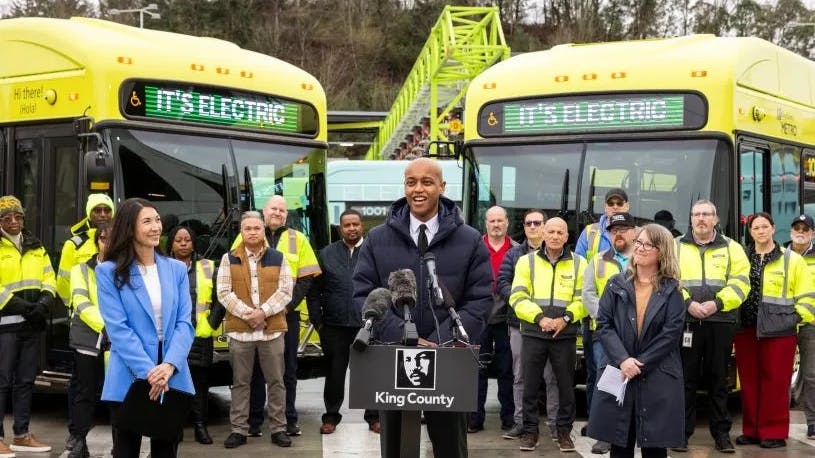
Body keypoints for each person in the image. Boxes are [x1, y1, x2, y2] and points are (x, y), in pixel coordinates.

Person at [353, 157, 493, 458]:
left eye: (427, 182)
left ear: (441, 187)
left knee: (450, 447)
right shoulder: (377, 239)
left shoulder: (469, 240)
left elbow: (481, 299)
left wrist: (440, 342)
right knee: (396, 447)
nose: (418, 189)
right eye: (411, 182)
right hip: (392, 358)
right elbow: (363, 294)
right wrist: (403, 335)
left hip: (449, 360)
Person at [96, 198, 195, 458]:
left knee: (166, 451)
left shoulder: (176, 269)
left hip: (171, 373)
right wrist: (150, 373)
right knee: (126, 451)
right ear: (130, 228)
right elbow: (118, 329)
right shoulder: (109, 272)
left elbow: (185, 323)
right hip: (130, 375)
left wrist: (170, 365)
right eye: (147, 221)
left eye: (158, 220)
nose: (156, 227)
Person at [586, 224, 687, 458]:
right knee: (620, 442)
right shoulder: (616, 283)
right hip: (620, 371)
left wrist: (639, 364)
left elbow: (670, 334)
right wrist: (623, 360)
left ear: (661, 251)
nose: (639, 248)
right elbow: (604, 324)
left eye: (647, 244)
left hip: (656, 374)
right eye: (638, 242)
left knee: (654, 445)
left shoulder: (673, 290)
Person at [674, 200, 750, 453]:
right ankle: (681, 434)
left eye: (706, 214)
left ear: (716, 219)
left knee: (719, 380)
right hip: (687, 322)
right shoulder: (676, 246)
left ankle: (721, 435)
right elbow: (666, 279)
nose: (701, 218)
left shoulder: (733, 248)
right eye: (696, 214)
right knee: (686, 380)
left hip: (721, 321)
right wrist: (688, 304)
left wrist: (717, 303)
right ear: (691, 219)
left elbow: (741, 283)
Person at [734, 212, 815, 449]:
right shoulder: (742, 257)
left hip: (780, 330)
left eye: (764, 226)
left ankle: (774, 432)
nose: (760, 231)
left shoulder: (791, 259)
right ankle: (752, 430)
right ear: (750, 232)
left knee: (776, 382)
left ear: (773, 229)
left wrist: (794, 320)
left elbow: (808, 296)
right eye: (756, 227)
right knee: (749, 382)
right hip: (746, 329)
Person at [244, 195, 321, 438]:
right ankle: (254, 421)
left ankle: (289, 420)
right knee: (255, 370)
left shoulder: (298, 239)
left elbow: (306, 278)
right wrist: (256, 311)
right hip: (254, 317)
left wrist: (285, 307)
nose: (277, 213)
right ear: (263, 212)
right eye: (273, 209)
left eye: (282, 210)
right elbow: (238, 274)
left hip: (287, 316)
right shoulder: (250, 232)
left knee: (287, 371)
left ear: (286, 215)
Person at [510, 217, 588, 453]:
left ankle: (564, 432)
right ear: (543, 234)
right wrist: (539, 318)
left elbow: (583, 299)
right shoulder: (526, 262)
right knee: (530, 385)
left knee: (566, 386)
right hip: (534, 333)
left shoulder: (579, 263)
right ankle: (530, 432)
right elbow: (517, 296)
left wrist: (564, 319)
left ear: (567, 237)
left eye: (560, 232)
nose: (555, 236)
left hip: (564, 335)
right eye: (551, 231)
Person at [218, 211, 294, 449]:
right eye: (248, 228)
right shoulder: (228, 258)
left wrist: (263, 312)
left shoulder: (278, 257)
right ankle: (239, 430)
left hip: (271, 332)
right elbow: (223, 292)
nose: (252, 232)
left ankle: (279, 429)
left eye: (256, 228)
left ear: (263, 230)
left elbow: (285, 291)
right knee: (240, 382)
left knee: (276, 381)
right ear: (241, 232)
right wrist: (249, 315)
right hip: (241, 333)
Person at [307, 209, 379, 435]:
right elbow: (313, 292)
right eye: (347, 225)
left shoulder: (373, 252)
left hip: (366, 326)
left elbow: (382, 289)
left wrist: (379, 320)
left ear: (362, 226)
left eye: (355, 224)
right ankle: (330, 417)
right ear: (340, 228)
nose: (351, 228)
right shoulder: (326, 254)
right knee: (335, 375)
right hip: (334, 327)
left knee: (369, 374)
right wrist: (319, 323)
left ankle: (374, 417)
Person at [497, 209, 559, 441]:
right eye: (528, 223)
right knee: (520, 376)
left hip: (550, 327)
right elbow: (502, 283)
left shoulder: (558, 254)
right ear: (523, 227)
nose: (532, 227)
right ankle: (521, 422)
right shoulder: (514, 255)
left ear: (544, 226)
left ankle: (555, 425)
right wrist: (522, 305)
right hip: (520, 324)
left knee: (552, 377)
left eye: (537, 223)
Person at [0, 195, 55, 455]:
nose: (14, 221)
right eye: (7, 217)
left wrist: (44, 303)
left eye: (18, 216)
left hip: (32, 325)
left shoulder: (36, 245)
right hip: (5, 326)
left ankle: (21, 435)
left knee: (25, 381)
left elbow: (49, 276)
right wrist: (21, 306)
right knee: (2, 382)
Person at [574, 187, 629, 439]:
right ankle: (598, 425)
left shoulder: (640, 250)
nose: (615, 206)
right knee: (598, 374)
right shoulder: (591, 233)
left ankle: (625, 424)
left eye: (620, 203)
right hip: (599, 326)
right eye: (611, 203)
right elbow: (585, 282)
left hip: (631, 328)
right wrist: (604, 319)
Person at [581, 212, 637, 455]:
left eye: (624, 229)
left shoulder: (644, 259)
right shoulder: (597, 261)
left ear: (634, 232)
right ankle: (605, 435)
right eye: (614, 231)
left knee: (637, 383)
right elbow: (588, 294)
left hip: (637, 334)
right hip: (605, 334)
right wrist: (608, 319)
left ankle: (634, 431)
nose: (619, 234)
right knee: (607, 384)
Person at [165, 225, 224, 445]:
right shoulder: (162, 267)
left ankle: (200, 426)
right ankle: (175, 428)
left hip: (200, 335)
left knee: (199, 385)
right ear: (171, 243)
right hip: (171, 337)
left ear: (194, 243)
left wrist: (211, 324)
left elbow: (221, 298)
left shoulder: (208, 267)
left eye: (187, 240)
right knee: (172, 385)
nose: (183, 243)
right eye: (178, 240)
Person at [469, 205, 517, 434]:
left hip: (508, 318)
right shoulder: (474, 247)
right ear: (485, 224)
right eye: (492, 221)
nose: (496, 224)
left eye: (500, 220)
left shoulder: (518, 250)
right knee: (476, 369)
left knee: (508, 369)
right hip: (480, 318)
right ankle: (474, 418)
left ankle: (509, 417)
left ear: (507, 223)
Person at [65, 224, 110, 458]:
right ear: (96, 242)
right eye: (103, 239)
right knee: (85, 391)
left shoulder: (127, 268)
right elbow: (82, 304)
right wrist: (107, 328)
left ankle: (123, 444)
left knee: (119, 394)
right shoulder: (80, 269)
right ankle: (80, 440)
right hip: (88, 338)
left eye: (113, 239)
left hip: (117, 340)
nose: (108, 243)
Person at [57, 193, 115, 307]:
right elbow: (63, 281)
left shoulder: (122, 240)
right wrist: (73, 306)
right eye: (97, 210)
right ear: (89, 214)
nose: (103, 214)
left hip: (115, 310)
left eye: (107, 210)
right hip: (83, 313)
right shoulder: (74, 245)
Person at [788, 214, 815, 440]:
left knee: (811, 375)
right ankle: (775, 424)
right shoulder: (779, 255)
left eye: (805, 229)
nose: (800, 232)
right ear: (790, 233)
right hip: (783, 324)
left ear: (812, 233)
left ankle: (813, 423)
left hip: (810, 324)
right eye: (797, 228)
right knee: (778, 375)